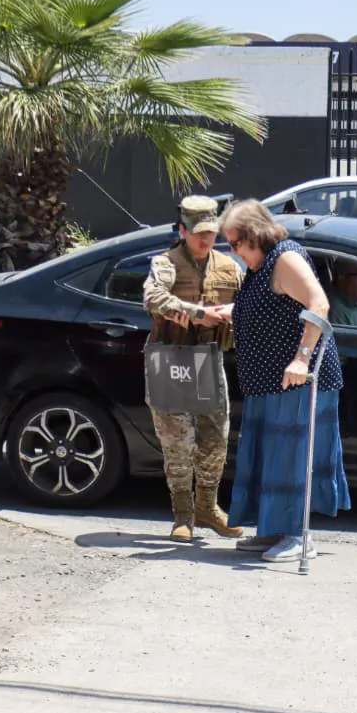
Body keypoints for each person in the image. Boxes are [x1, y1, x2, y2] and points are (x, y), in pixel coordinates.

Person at [210, 200, 350, 562]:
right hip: (268, 380)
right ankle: (273, 529)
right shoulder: (261, 266)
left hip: (295, 378)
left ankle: (298, 536)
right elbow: (267, 307)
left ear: (255, 236)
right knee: (270, 455)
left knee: (291, 456)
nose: (233, 251)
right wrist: (221, 312)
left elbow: (318, 305)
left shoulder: (286, 258)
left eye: (235, 243)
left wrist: (302, 358)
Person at [142, 196, 244, 543]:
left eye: (212, 233)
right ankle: (182, 515)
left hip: (208, 359)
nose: (206, 240)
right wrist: (200, 314)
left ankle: (207, 507)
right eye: (198, 233)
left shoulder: (229, 267)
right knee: (177, 443)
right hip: (171, 358)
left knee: (216, 438)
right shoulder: (166, 262)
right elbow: (153, 297)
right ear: (183, 231)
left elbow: (249, 303)